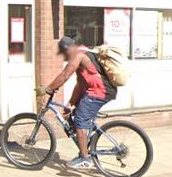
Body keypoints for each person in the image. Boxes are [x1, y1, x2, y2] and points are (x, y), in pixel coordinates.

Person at [36, 36, 116, 170]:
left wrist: (48, 89)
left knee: (80, 120)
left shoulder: (77, 55)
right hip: (98, 91)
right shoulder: (83, 54)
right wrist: (70, 103)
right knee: (75, 116)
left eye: (64, 53)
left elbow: (65, 75)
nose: (64, 57)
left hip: (99, 92)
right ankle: (83, 151)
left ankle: (85, 158)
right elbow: (80, 85)